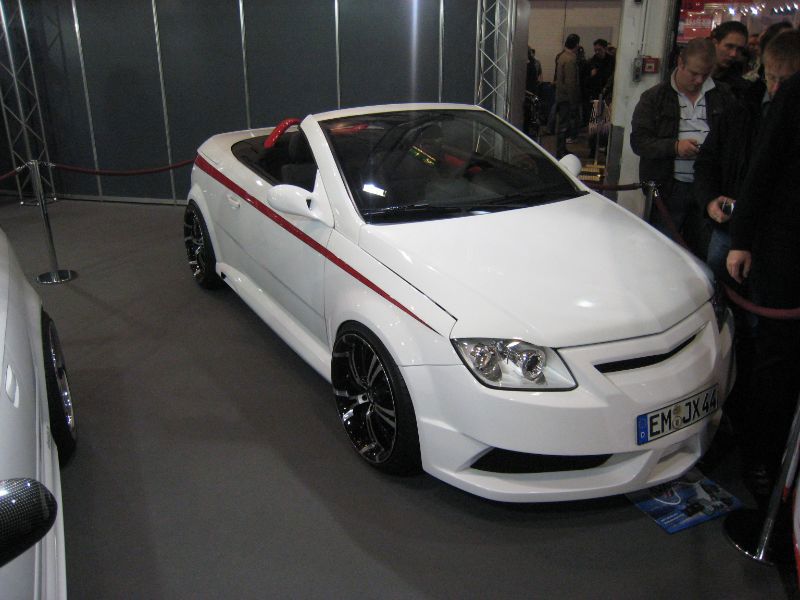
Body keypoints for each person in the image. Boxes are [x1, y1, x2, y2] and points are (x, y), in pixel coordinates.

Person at [726, 35, 800, 498]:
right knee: (779, 357)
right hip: (786, 249)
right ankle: (760, 459)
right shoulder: (791, 95)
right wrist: (742, 240)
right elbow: (763, 169)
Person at [694, 29, 800, 277]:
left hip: (777, 239)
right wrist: (710, 199)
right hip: (728, 228)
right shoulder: (740, 109)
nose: (775, 88)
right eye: (771, 78)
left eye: (785, 81)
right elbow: (708, 160)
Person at [630, 37, 737, 248]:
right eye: (694, 73)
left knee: (701, 250)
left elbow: (734, 140)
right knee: (661, 247)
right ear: (680, 63)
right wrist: (675, 147)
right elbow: (639, 142)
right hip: (668, 189)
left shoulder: (723, 96)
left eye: (705, 74)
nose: (699, 80)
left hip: (708, 190)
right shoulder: (654, 98)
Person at [554, 33, 580, 158]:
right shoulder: (570, 59)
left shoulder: (561, 56)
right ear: (576, 45)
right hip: (566, 97)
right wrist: (573, 100)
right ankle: (560, 150)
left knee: (562, 124)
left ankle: (561, 148)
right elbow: (570, 82)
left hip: (560, 95)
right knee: (564, 125)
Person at [710, 21, 750, 99]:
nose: (733, 54)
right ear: (715, 43)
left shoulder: (740, 88)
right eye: (729, 46)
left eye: (739, 49)